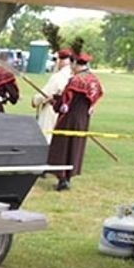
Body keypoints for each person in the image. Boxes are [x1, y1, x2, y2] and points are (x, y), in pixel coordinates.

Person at [46, 50, 103, 191]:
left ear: (76, 63)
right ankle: (68, 176)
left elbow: (66, 101)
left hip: (70, 118)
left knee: (63, 146)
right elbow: (95, 98)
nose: (71, 67)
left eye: (72, 63)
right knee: (76, 146)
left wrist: (56, 102)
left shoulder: (76, 80)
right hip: (83, 119)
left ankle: (62, 178)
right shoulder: (93, 79)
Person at [32, 49, 72, 142]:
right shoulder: (73, 75)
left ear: (60, 61)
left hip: (52, 109)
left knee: (45, 137)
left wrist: (35, 100)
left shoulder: (58, 77)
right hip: (65, 112)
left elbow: (45, 94)